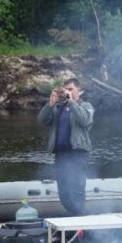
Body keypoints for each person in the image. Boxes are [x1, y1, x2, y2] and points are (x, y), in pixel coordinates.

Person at [37, 78, 94, 216]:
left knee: (76, 190)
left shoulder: (86, 106)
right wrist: (50, 104)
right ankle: (77, 219)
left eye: (70, 89)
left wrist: (72, 102)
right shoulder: (58, 108)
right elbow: (41, 120)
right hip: (61, 155)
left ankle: (81, 222)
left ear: (79, 91)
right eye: (65, 89)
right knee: (64, 194)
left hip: (78, 154)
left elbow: (86, 120)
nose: (67, 91)